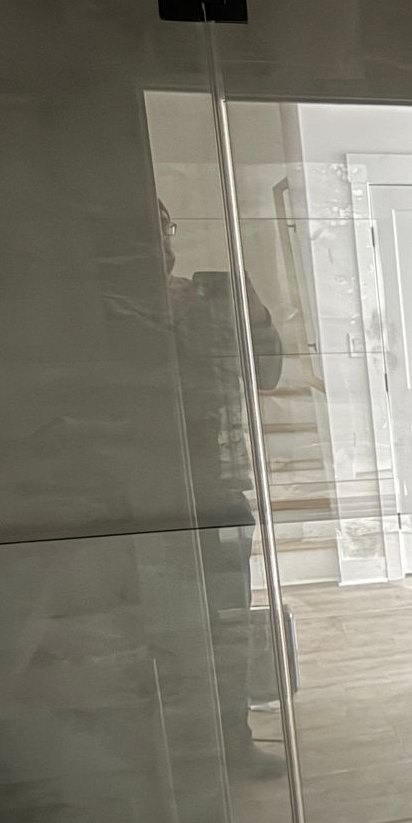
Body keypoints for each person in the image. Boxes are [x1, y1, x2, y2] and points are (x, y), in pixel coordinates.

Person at [160, 198, 287, 777]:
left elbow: (266, 374)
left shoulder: (201, 303)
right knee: (164, 633)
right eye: (149, 231)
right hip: (145, 499)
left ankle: (231, 741)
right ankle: (184, 756)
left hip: (217, 487)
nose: (163, 243)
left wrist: (252, 315)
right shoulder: (102, 316)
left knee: (228, 618)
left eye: (165, 227)